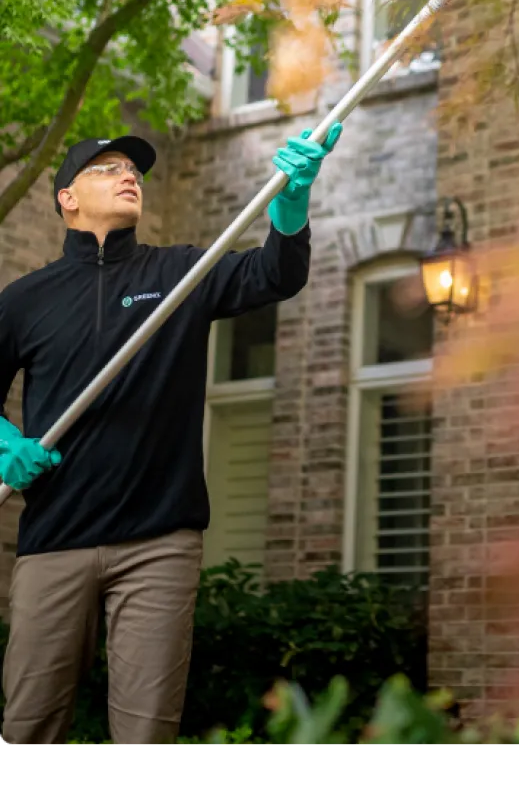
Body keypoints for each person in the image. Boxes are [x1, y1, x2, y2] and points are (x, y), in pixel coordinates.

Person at [0, 124, 341, 748]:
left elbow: (275, 275)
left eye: (133, 169)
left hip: (159, 543)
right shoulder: (23, 301)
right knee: (27, 727)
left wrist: (290, 204)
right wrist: (2, 443)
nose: (129, 174)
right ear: (67, 198)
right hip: (54, 539)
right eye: (107, 168)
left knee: (146, 734)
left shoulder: (183, 273)